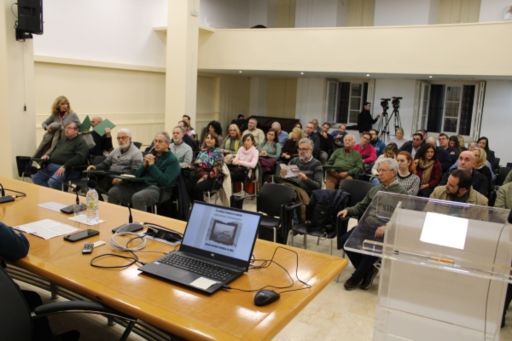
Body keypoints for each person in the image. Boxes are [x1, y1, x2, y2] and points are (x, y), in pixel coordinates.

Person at [339, 158, 406, 290]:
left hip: (384, 230)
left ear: (393, 172)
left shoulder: (401, 193)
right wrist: (348, 210)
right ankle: (368, 272)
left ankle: (356, 277)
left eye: (383, 170)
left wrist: (387, 226)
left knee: (370, 250)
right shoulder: (376, 189)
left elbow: (402, 218)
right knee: (345, 241)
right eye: (379, 170)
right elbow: (362, 205)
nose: (379, 173)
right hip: (367, 226)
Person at [108, 132, 180, 211]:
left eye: (160, 141)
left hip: (158, 189)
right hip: (141, 184)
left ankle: (140, 223)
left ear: (167, 144)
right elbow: (137, 175)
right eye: (155, 141)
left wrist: (152, 166)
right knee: (113, 192)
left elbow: (165, 182)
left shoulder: (172, 160)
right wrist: (144, 165)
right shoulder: (152, 155)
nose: (156, 144)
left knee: (138, 198)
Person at [32, 121, 89, 190]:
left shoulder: (81, 142)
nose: (66, 130)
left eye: (69, 128)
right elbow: (54, 150)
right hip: (51, 165)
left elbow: (80, 158)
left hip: (66, 168)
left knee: (52, 182)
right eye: (66, 128)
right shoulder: (63, 139)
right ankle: (49, 195)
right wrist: (48, 155)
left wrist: (65, 166)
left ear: (76, 130)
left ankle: (57, 196)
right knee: (36, 178)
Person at [277, 138, 323, 222]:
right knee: (278, 189)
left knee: (288, 193)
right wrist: (283, 174)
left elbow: (318, 186)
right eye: (300, 149)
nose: (301, 151)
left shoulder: (317, 164)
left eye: (304, 149)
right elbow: (288, 177)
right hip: (291, 187)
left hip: (305, 190)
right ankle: (282, 219)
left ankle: (293, 222)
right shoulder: (294, 160)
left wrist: (306, 179)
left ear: (311, 150)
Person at [86, 128, 143, 194]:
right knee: (91, 183)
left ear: (130, 139)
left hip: (123, 180)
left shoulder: (136, 153)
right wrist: (95, 167)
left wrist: (122, 180)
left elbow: (135, 172)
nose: (120, 140)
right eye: (118, 138)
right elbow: (106, 163)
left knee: (100, 188)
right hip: (110, 176)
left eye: (123, 138)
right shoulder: (116, 150)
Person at [190, 132, 224, 202]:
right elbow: (195, 165)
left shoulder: (218, 152)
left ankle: (200, 205)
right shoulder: (202, 151)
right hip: (200, 174)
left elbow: (217, 170)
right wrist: (196, 164)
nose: (209, 140)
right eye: (207, 138)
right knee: (188, 185)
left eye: (211, 139)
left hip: (212, 178)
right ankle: (194, 205)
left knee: (197, 187)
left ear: (216, 141)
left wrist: (205, 176)